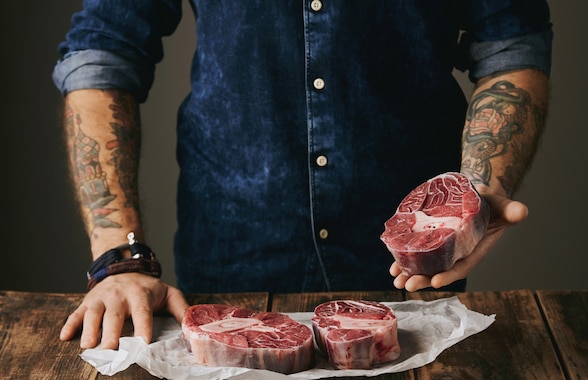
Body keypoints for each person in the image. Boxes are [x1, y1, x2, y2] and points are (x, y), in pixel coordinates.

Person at [52, 1, 552, 350]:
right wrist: (119, 255)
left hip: (414, 265)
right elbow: (105, 51)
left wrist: (480, 190)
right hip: (230, 260)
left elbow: (512, 44)